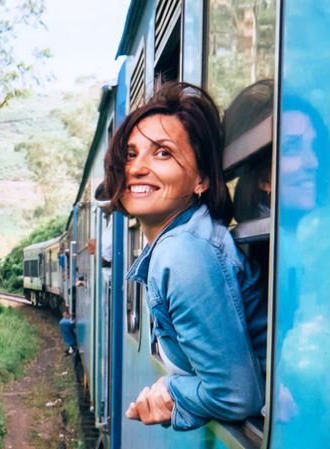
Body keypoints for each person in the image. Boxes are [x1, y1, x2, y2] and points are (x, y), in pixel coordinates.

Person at [102, 82, 267, 430]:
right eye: (131, 154)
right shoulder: (181, 242)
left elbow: (235, 395)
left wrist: (171, 389)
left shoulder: (181, 254)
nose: (136, 168)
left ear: (201, 180)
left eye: (162, 153)